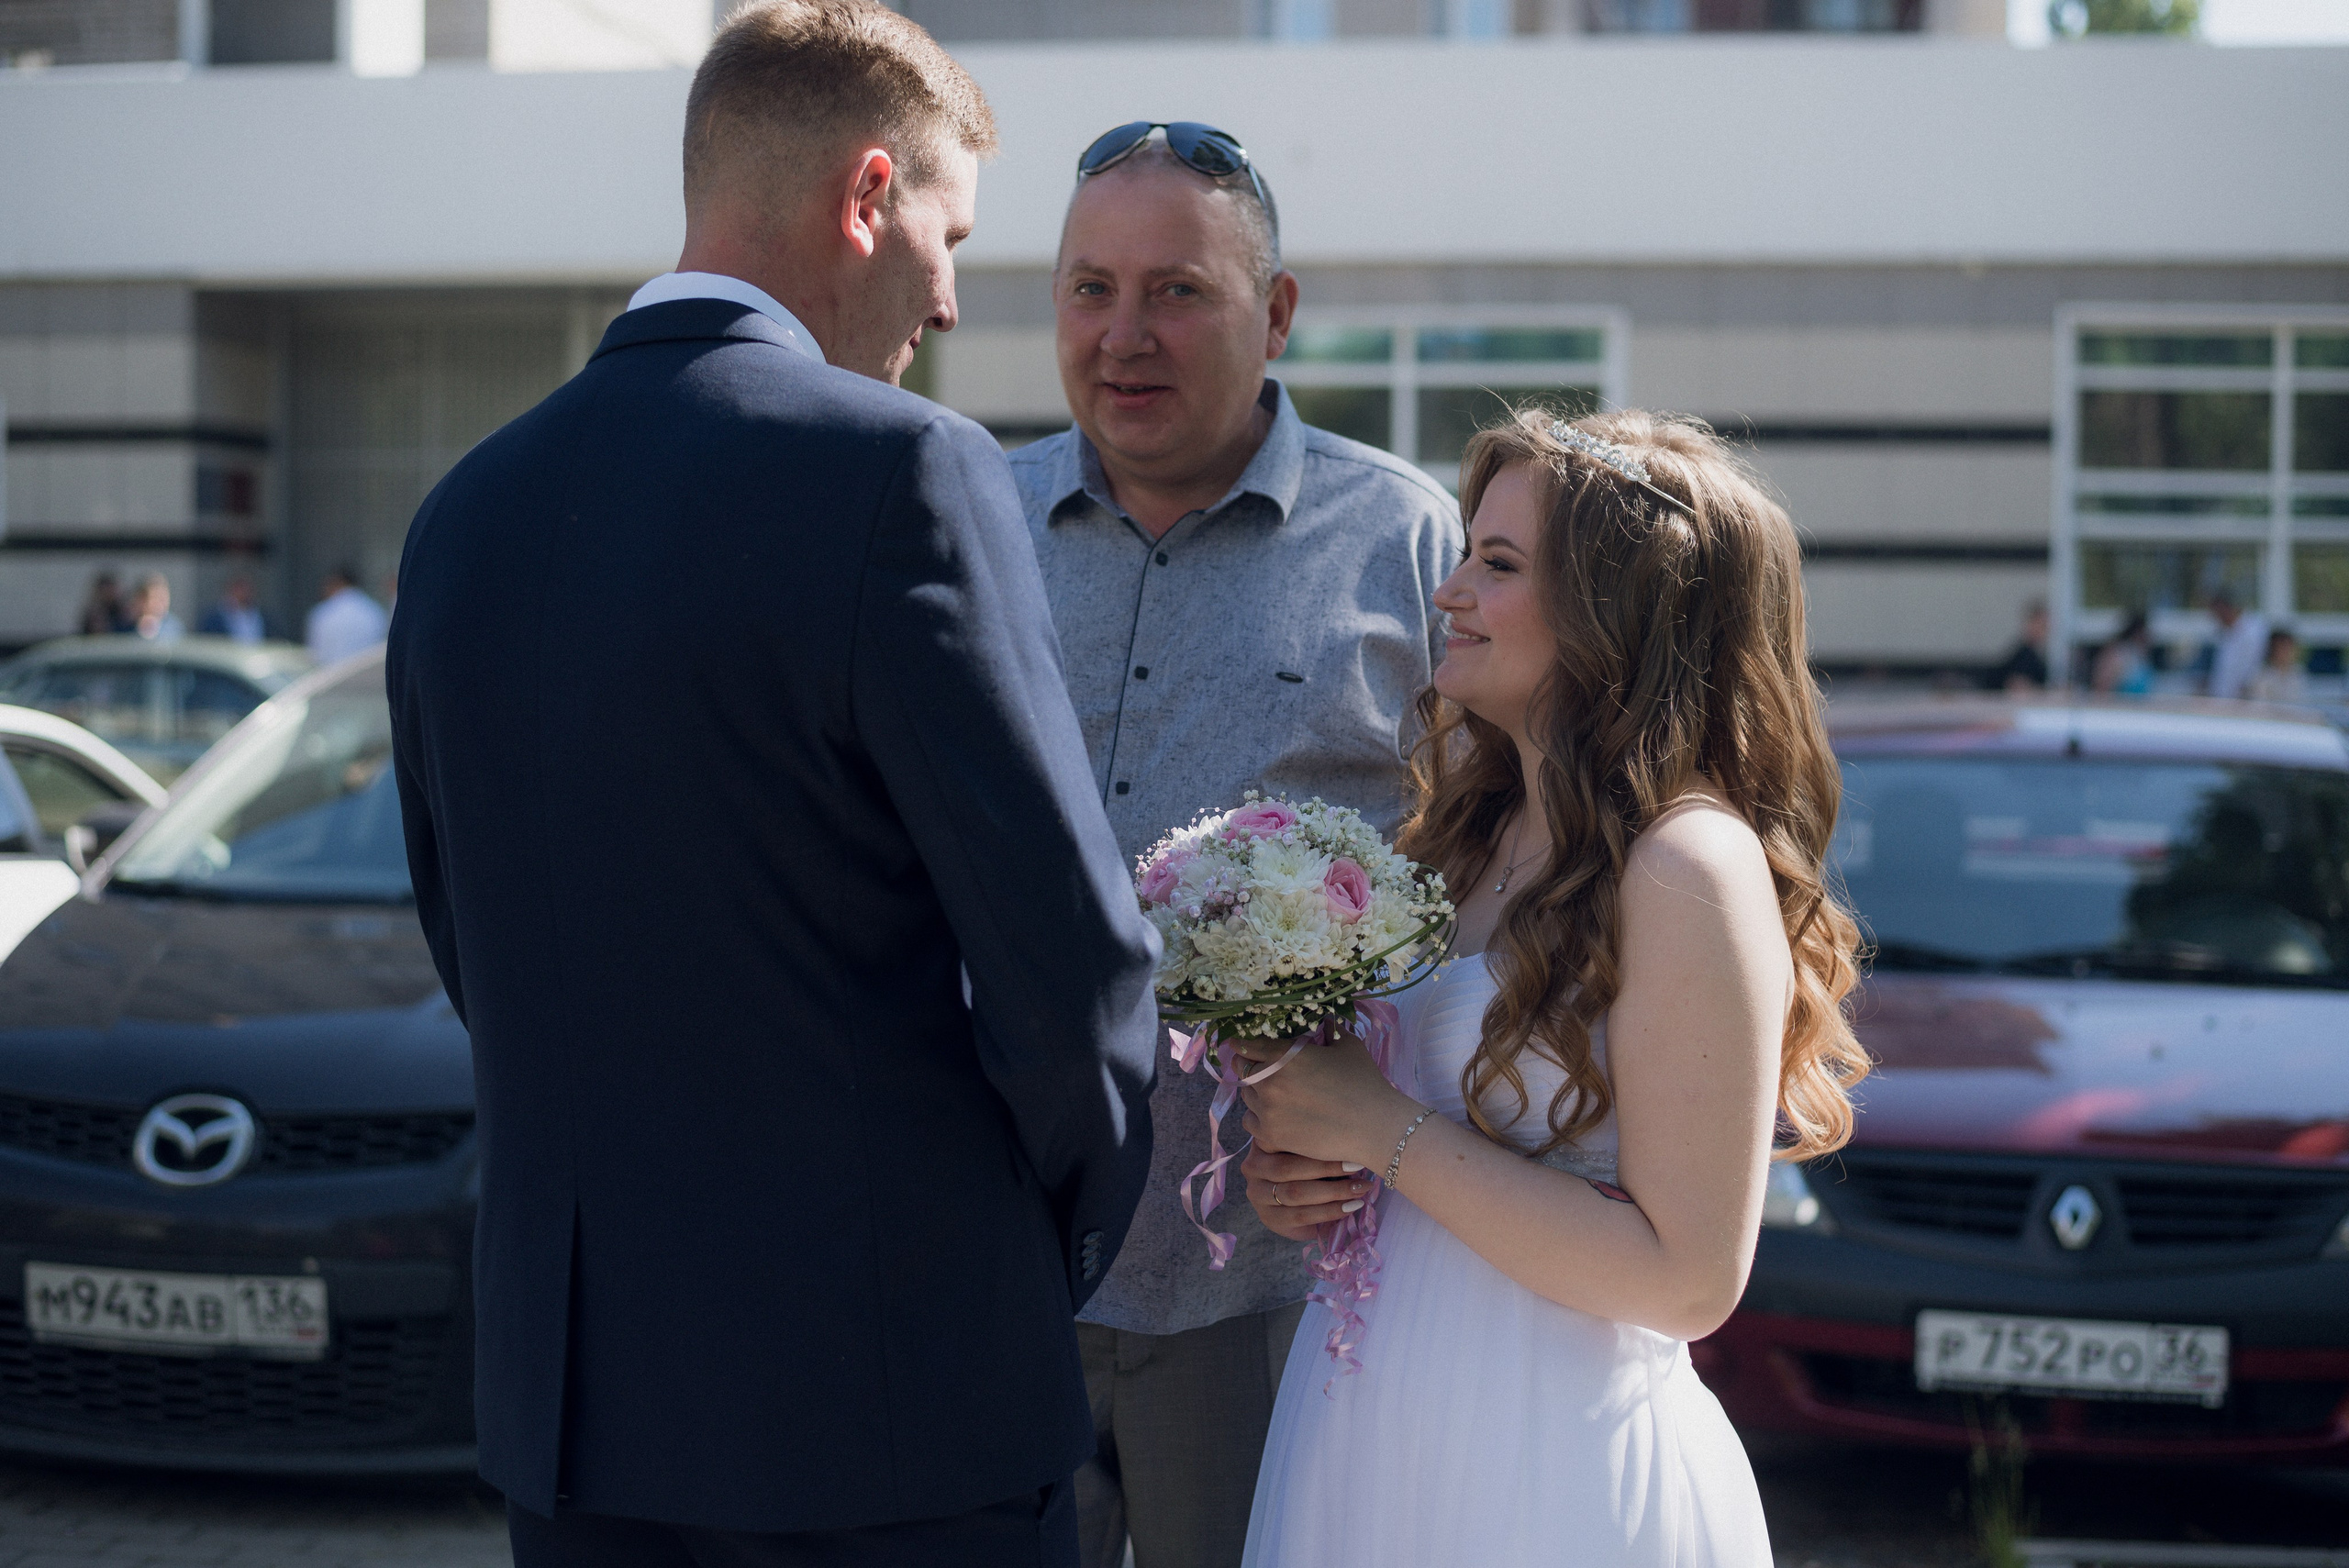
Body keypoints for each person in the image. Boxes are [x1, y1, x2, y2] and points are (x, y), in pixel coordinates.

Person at [387, 5, 1160, 1565]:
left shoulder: (463, 511)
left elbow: (471, 943)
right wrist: (1032, 1242)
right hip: (893, 1409)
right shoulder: (902, 472)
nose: (947, 300)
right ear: (867, 196)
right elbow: (1070, 978)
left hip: (581, 1419)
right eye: (948, 235)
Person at [1233, 411, 1868, 1567]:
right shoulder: (1462, 841)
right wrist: (1316, 1178)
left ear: (1617, 610)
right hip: (1372, 1428)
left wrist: (1383, 1128)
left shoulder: (1686, 866)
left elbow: (1687, 1277)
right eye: (1469, 551)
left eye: (1500, 564)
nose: (1449, 591)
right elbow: (1424, 1158)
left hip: (1550, 1465)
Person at [1009, 122, 1457, 1568]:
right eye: (1091, 288)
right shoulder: (963, 517)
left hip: (1276, 1281)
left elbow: (1480, 884)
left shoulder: (1405, 544)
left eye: (1178, 292)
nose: (1124, 336)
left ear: (1275, 315)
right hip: (989, 1261)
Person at [306, 564, 388, 664]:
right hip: (368, 674)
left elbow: (316, 654)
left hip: (332, 675)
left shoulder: (323, 612)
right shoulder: (374, 609)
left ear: (336, 582)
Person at [2205, 589, 2269, 701]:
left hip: (2243, 706)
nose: (2215, 618)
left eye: (2217, 613)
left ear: (2225, 608)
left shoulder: (2253, 631)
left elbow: (2252, 673)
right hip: (2224, 705)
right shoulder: (2227, 633)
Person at [1983, 598, 2048, 692]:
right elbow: (2017, 685)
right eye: (2042, 625)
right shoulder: (2025, 654)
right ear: (2030, 624)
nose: (2046, 630)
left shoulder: (2035, 654)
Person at [2091, 610, 2154, 696]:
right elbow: (2101, 689)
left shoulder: (2141, 656)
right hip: (2119, 707)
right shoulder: (2118, 654)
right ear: (2137, 633)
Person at [199, 575, 271, 644]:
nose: (244, 593)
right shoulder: (214, 619)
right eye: (240, 588)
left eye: (247, 589)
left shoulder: (262, 617)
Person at [2246, 626, 2308, 706]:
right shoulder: (2261, 677)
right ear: (2273, 650)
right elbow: (2259, 707)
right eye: (2282, 647)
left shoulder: (2299, 673)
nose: (2286, 652)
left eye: (2289, 647)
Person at [128, 573, 184, 642]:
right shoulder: (127, 624)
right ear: (142, 600)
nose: (161, 604)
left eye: (163, 598)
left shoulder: (174, 627)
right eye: (156, 598)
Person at [76, 571, 129, 636]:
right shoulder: (94, 613)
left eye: (110, 590)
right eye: (105, 590)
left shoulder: (122, 612)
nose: (108, 594)